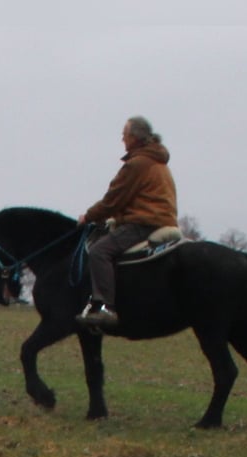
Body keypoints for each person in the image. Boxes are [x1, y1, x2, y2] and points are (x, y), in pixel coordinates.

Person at [76, 116, 178, 327]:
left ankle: (105, 307)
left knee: (99, 251)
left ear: (134, 137)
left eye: (124, 135)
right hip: (162, 219)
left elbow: (113, 200)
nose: (122, 139)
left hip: (143, 223)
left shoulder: (137, 164)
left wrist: (88, 216)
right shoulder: (157, 161)